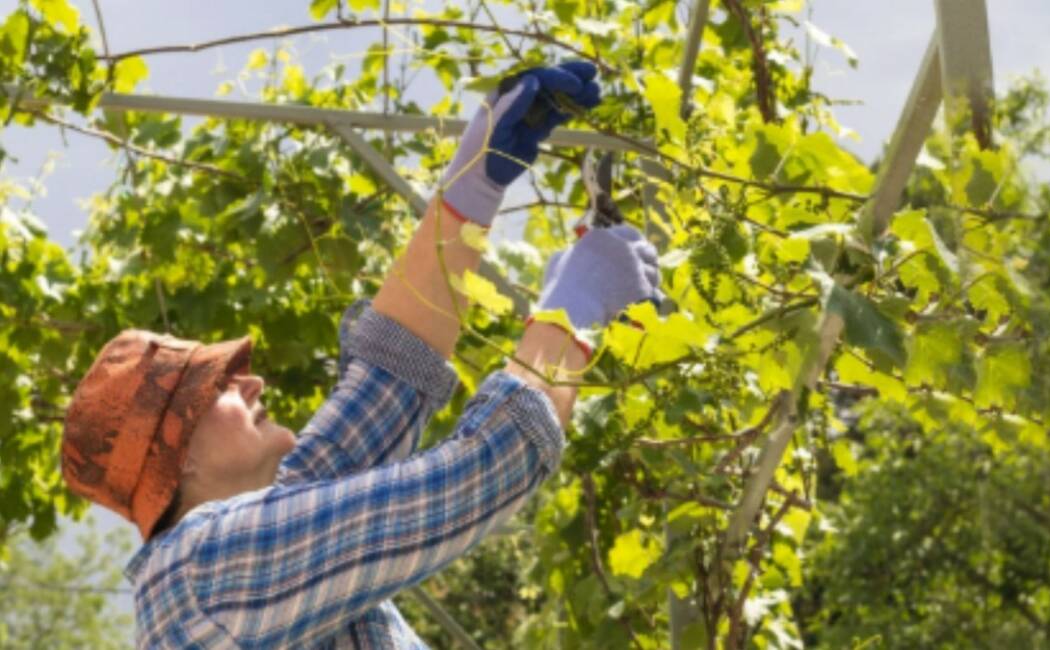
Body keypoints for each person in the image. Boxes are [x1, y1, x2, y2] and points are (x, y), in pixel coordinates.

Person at [60, 61, 663, 648]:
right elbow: (484, 468)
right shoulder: (203, 576)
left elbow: (392, 375)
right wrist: (572, 312)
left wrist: (474, 183)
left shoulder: (254, 544)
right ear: (176, 459)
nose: (252, 382)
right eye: (218, 386)